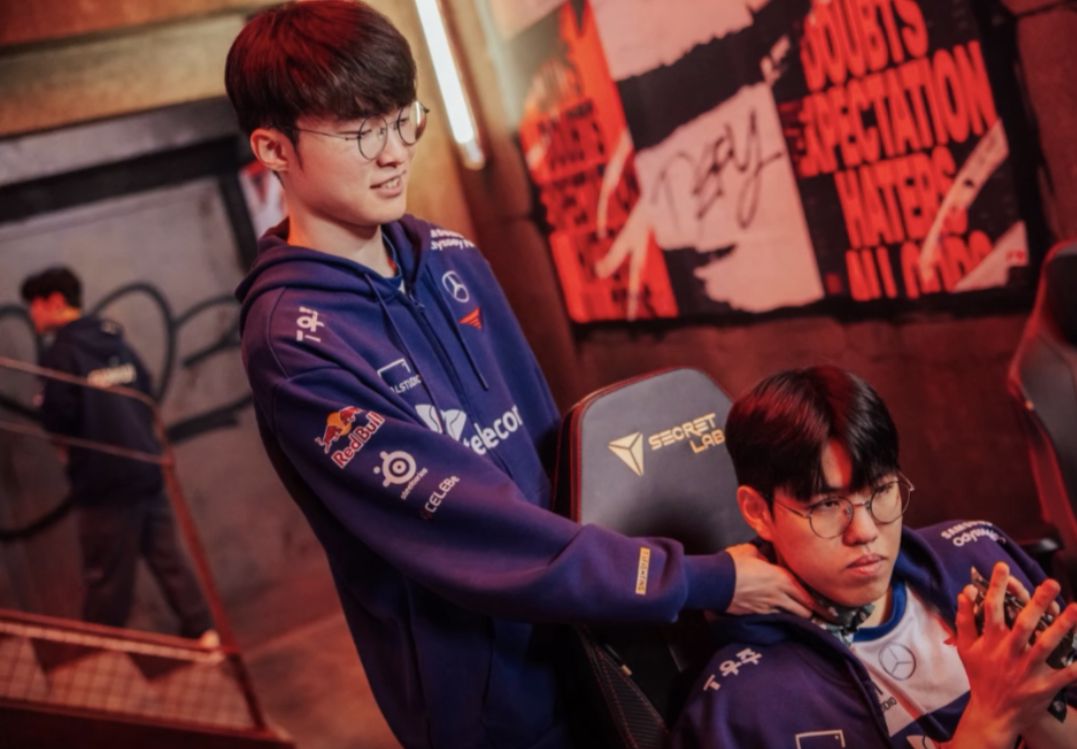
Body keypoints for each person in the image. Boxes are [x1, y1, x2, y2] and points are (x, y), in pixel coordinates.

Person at [224, 3, 813, 748]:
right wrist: (696, 578)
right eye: (361, 132)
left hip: (591, 635)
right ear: (274, 148)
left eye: (403, 119)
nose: (395, 153)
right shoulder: (295, 345)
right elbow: (471, 530)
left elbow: (552, 453)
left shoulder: (450, 255)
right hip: (492, 699)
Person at [672, 365, 1077, 748]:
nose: (864, 531)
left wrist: (1032, 703)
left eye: (882, 491)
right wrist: (993, 717)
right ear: (758, 511)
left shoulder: (979, 557)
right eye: (827, 505)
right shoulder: (741, 704)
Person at [19, 267, 216, 642]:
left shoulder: (60, 354)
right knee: (169, 561)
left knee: (105, 580)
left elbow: (57, 417)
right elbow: (146, 392)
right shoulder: (114, 339)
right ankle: (205, 635)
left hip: (103, 483)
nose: (32, 314)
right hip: (146, 467)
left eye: (35, 305)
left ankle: (100, 655)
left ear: (55, 302)